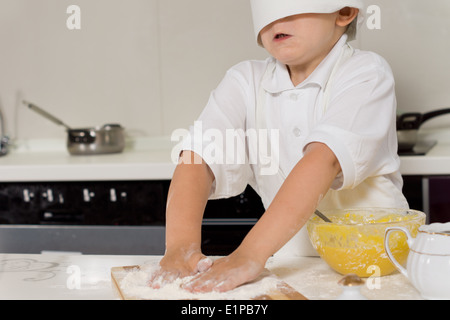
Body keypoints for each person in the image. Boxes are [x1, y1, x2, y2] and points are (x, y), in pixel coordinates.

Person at [149, 0, 409, 293]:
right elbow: (198, 157)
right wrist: (180, 247)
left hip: (376, 266)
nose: (277, 21)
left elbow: (324, 161)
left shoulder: (366, 72)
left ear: (344, 12)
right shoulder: (245, 81)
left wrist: (248, 255)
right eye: (267, 12)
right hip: (290, 266)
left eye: (291, 7)